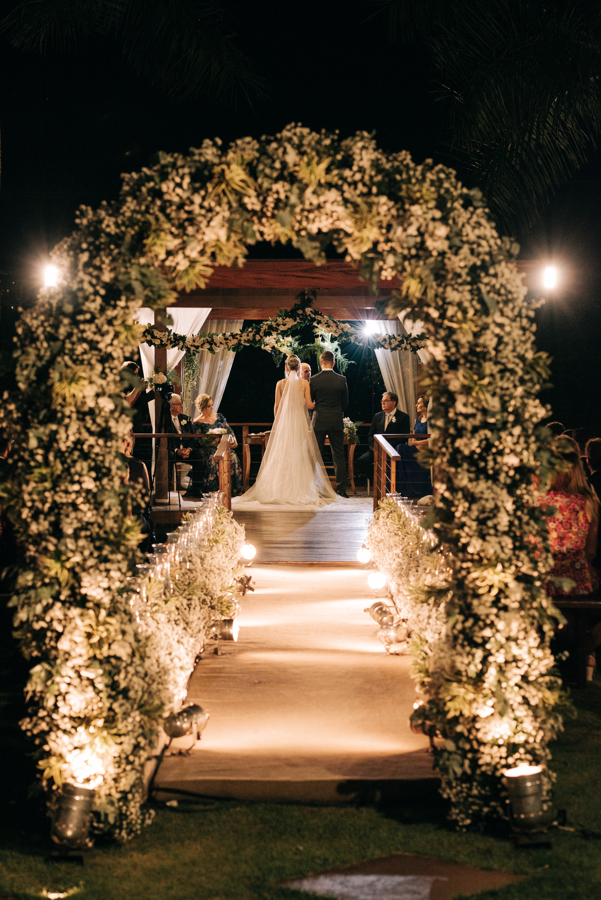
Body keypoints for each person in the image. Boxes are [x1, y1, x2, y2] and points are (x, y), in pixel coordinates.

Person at [240, 355, 339, 506]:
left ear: (286, 367)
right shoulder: (304, 384)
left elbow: (277, 407)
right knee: (300, 456)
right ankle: (300, 489)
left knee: (283, 456)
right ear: (299, 368)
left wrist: (278, 424)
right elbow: (310, 405)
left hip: (285, 424)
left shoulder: (280, 384)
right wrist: (322, 404)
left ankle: (280, 489)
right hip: (300, 424)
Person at [310, 350, 350, 497]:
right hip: (335, 420)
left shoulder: (314, 380)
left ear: (321, 362)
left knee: (315, 455)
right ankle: (341, 489)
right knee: (338, 455)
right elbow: (345, 403)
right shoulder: (341, 379)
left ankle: (313, 488)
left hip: (319, 420)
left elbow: (311, 401)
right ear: (334, 363)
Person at [189, 394, 242, 497]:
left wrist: (234, 440)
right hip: (209, 448)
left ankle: (232, 490)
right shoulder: (197, 422)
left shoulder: (219, 416)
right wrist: (212, 441)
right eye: (209, 406)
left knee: (233, 456)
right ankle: (214, 489)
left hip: (222, 446)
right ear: (203, 407)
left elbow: (229, 430)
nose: (212, 407)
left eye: (212, 405)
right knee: (213, 459)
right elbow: (198, 441)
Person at [356, 391, 411, 480]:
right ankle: (376, 481)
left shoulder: (403, 417)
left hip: (393, 451)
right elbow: (370, 435)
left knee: (389, 465)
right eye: (382, 401)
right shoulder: (377, 416)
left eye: (385, 400)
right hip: (377, 450)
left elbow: (403, 438)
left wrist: (387, 448)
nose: (383, 403)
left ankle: (388, 484)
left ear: (393, 403)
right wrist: (374, 447)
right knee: (361, 461)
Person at [395, 395, 431, 498]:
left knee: (401, 448)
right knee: (400, 449)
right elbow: (413, 437)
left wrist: (417, 444)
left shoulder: (431, 421)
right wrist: (415, 443)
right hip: (416, 449)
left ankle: (402, 488)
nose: (416, 405)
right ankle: (401, 488)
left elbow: (432, 439)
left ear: (426, 405)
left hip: (425, 451)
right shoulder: (417, 420)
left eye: (419, 403)